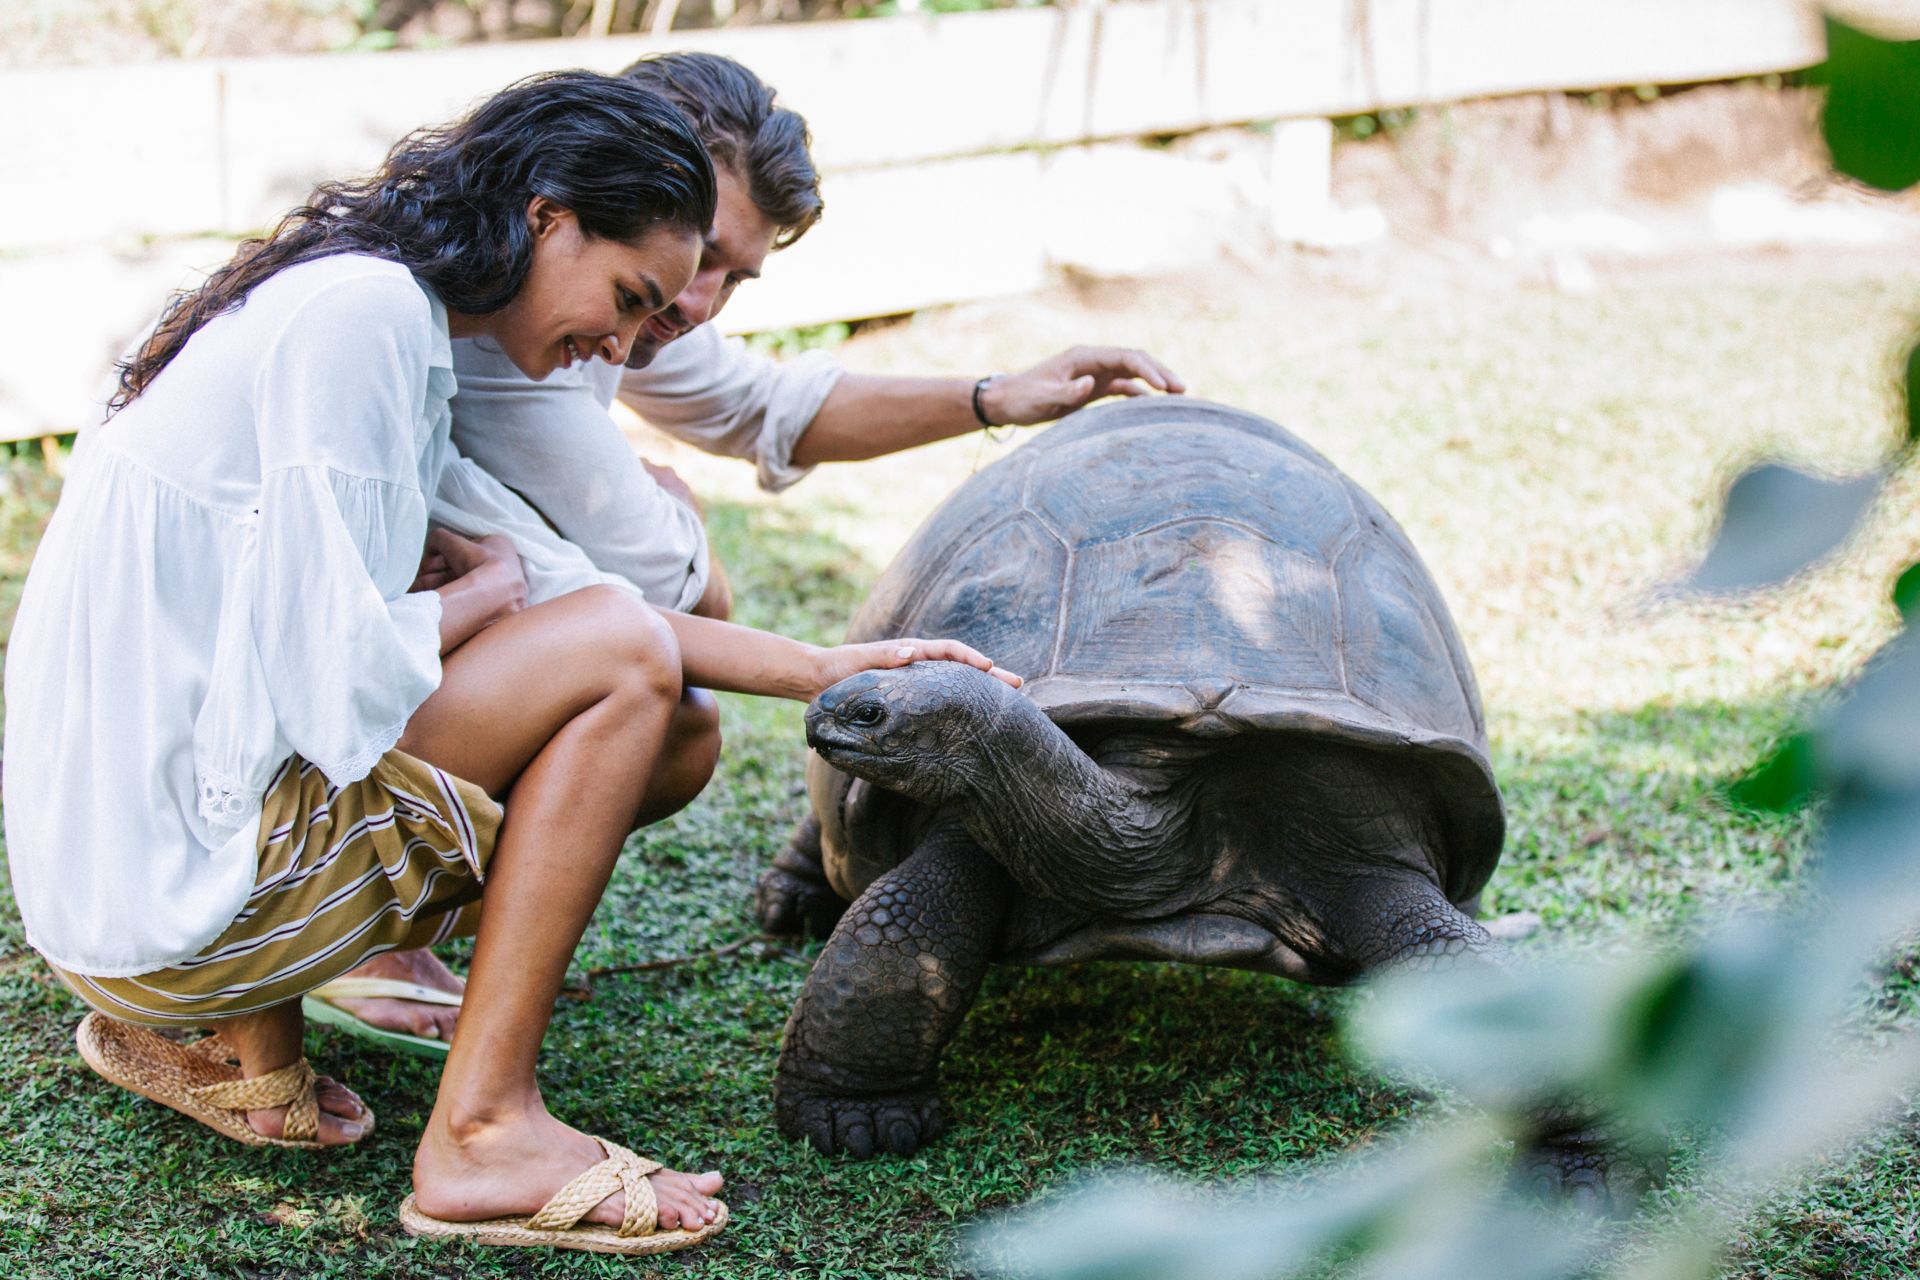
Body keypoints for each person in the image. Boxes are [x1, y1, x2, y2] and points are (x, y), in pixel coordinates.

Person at [2, 71, 1014, 1258]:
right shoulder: (365, 320)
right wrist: (477, 596)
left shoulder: (372, 309)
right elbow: (338, 675)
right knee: (624, 663)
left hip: (119, 901)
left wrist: (831, 666)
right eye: (631, 298)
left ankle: (239, 1038)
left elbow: (561, 593)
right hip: (162, 903)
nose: (629, 343)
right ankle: (481, 1128)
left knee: (628, 656)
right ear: (545, 216)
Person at [325, 50, 1184, 1047]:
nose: (702, 303)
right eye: (705, 258)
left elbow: (756, 402)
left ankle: (392, 926)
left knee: (675, 712)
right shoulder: (507, 332)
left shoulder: (612, 294)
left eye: (734, 274)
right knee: (651, 691)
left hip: (411, 651)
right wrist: (686, 524)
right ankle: (359, 934)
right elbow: (667, 588)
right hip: (334, 693)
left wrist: (997, 396)